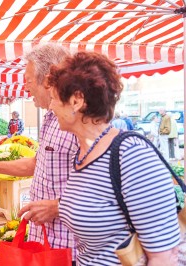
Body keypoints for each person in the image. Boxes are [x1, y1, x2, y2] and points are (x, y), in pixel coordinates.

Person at [46, 51, 179, 265]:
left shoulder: (132, 155)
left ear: (76, 100)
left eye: (54, 99)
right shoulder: (84, 155)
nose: (51, 107)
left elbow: (164, 257)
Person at [0, 44, 78, 262]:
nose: (26, 88)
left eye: (29, 80)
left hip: (69, 248)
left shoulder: (77, 122)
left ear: (49, 77)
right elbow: (37, 164)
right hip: (44, 241)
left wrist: (58, 207)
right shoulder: (51, 119)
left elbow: (102, 190)